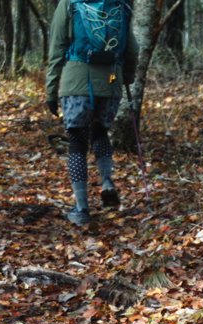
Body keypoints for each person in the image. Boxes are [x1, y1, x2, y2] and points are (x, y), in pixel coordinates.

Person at [46, 0, 139, 227]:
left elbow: (57, 47)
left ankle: (82, 208)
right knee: (100, 132)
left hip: (76, 82)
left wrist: (51, 89)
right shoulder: (120, 4)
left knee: (77, 143)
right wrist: (126, 76)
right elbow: (132, 49)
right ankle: (106, 181)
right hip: (111, 82)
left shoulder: (69, 3)